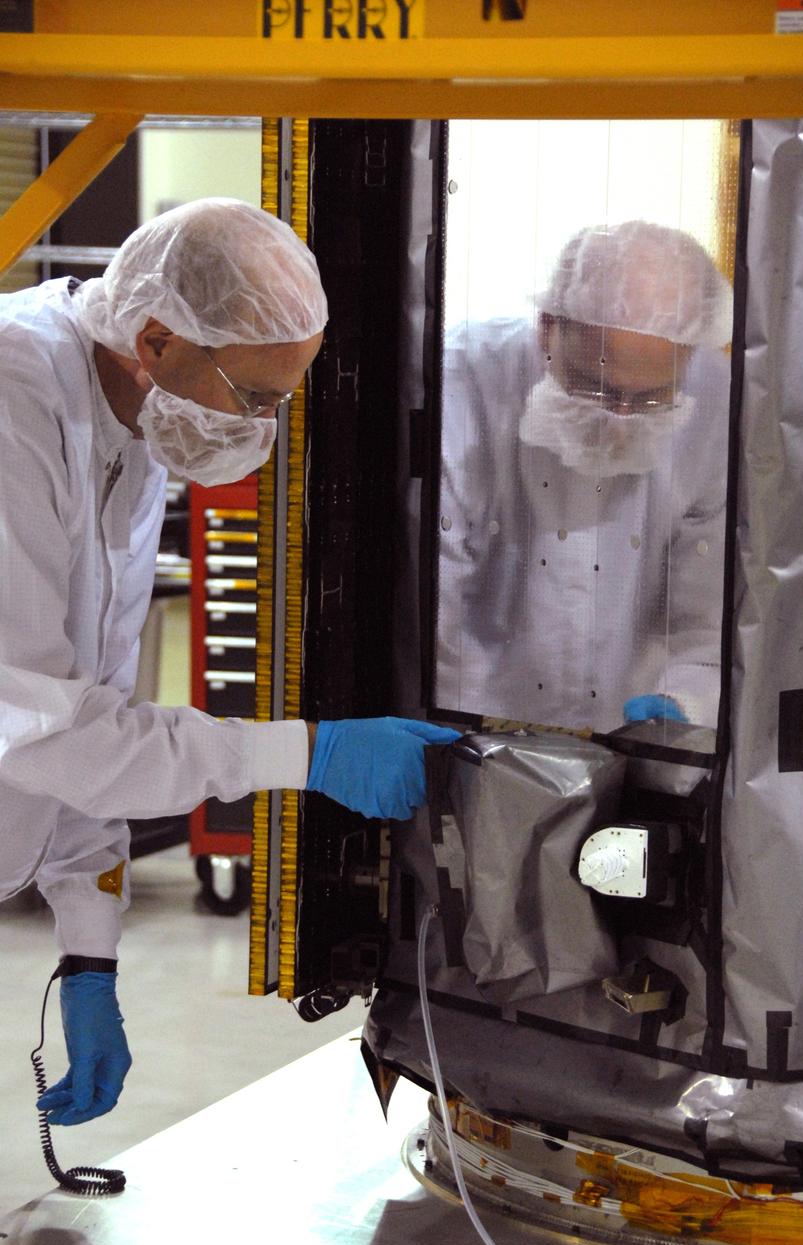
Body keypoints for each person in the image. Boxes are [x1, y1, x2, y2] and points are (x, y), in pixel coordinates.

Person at [0, 198, 458, 1127]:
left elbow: (93, 698)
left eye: (285, 397)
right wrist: (309, 753)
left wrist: (90, 953)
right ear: (158, 337)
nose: (265, 426)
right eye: (255, 398)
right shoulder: (13, 410)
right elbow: (47, 735)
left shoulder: (129, 416)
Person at [435, 220, 733, 733]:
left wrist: (686, 702)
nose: (619, 418)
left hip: (633, 731)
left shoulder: (714, 404)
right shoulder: (462, 385)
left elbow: (706, 617)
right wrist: (476, 744)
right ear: (548, 325)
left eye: (647, 400)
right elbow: (438, 617)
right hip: (476, 722)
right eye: (595, 388)